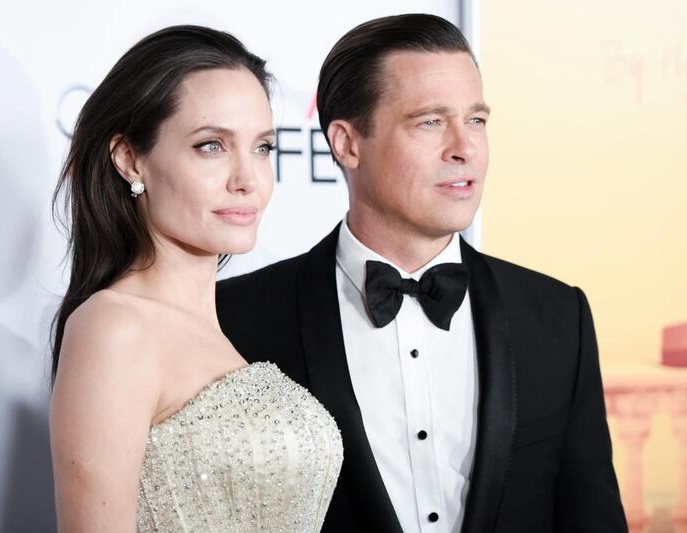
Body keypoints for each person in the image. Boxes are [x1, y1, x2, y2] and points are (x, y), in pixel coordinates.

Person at [217, 13, 627, 533]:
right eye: (431, 121)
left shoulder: (556, 315)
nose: (464, 147)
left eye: (476, 120)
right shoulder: (235, 319)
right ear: (347, 144)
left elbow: (593, 517)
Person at [49, 26, 342, 533]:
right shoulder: (114, 328)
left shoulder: (225, 327)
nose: (247, 179)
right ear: (129, 158)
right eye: (211, 146)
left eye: (263, 148)